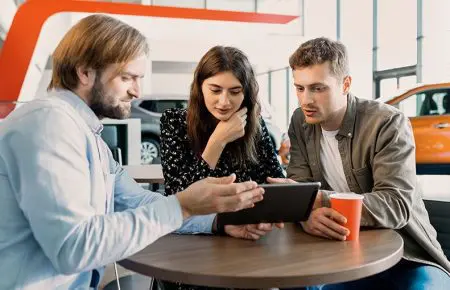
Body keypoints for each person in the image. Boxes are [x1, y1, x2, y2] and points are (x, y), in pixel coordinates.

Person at [0, 15, 266, 290]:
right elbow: (74, 247)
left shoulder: (89, 137)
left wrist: (216, 222)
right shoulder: (49, 124)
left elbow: (136, 201)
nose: (137, 91)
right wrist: (183, 205)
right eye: (127, 77)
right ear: (85, 72)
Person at [270, 37, 450, 289]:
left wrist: (318, 200)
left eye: (318, 88)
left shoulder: (386, 122)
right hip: (343, 254)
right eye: (299, 88)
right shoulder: (301, 121)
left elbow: (396, 205)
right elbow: (300, 187)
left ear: (345, 84)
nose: (305, 100)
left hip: (407, 256)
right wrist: (304, 216)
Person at [159, 45, 285, 289]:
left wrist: (272, 211)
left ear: (246, 94)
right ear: (200, 87)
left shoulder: (254, 126)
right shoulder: (174, 122)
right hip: (195, 249)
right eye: (215, 90)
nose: (224, 102)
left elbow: (275, 183)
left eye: (235, 92)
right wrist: (218, 141)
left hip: (248, 245)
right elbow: (178, 196)